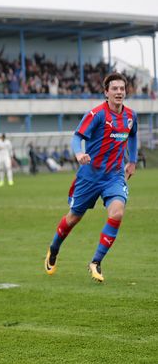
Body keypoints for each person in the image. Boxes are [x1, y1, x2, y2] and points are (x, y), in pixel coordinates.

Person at [44, 73, 138, 283]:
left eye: (122, 88)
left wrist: (131, 161)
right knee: (74, 218)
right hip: (89, 176)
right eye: (114, 88)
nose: (119, 92)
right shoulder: (96, 114)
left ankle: (96, 261)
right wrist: (79, 154)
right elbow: (77, 136)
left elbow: (132, 136)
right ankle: (53, 248)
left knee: (117, 213)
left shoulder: (131, 116)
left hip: (114, 177)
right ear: (106, 92)